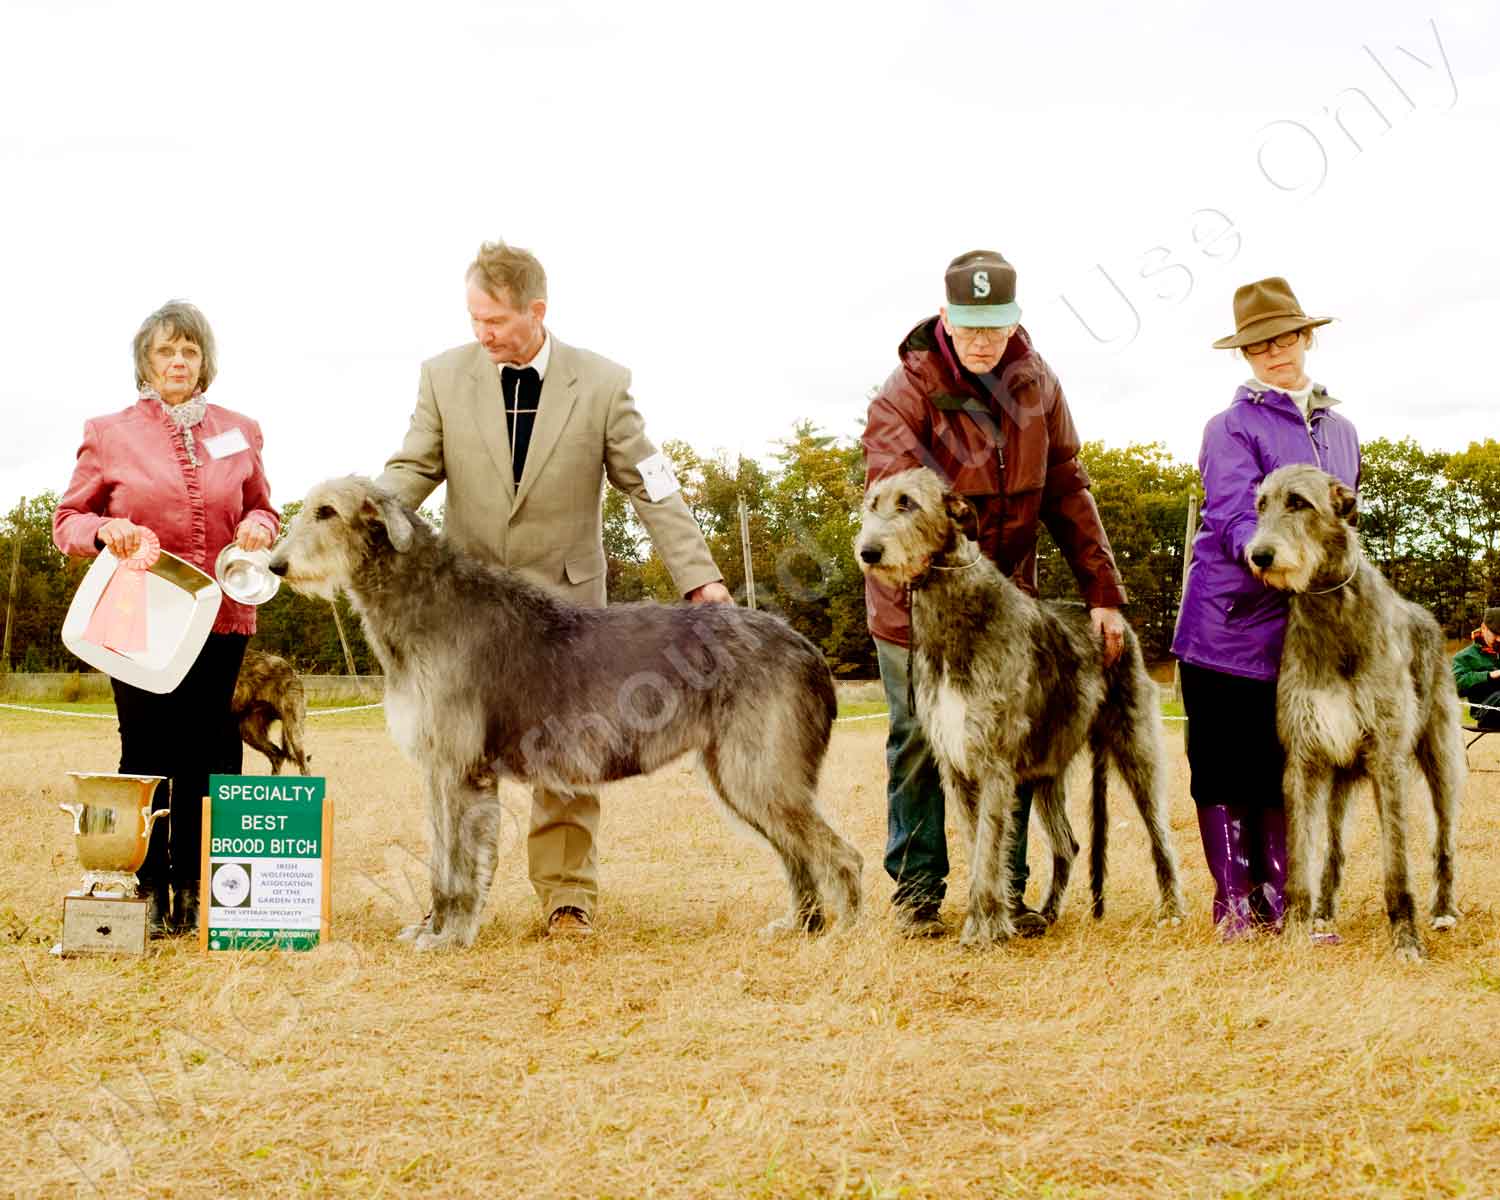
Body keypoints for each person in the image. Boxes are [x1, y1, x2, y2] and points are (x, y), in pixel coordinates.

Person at [377, 240, 729, 937]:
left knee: (566, 757)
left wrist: (701, 579)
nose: (483, 334)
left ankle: (567, 897)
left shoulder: (600, 383)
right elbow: (410, 471)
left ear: (537, 311)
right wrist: (364, 520)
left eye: (497, 321)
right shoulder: (444, 378)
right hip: (469, 618)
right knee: (455, 763)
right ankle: (453, 898)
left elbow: (652, 487)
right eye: (474, 318)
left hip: (569, 610)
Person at [862, 250, 1129, 938]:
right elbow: (892, 493)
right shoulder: (906, 389)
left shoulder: (1039, 385)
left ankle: (1001, 895)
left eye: (996, 326)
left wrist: (1102, 589)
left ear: (1015, 321)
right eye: (970, 325)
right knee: (920, 742)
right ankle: (919, 892)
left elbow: (1068, 488)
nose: (983, 340)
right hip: (912, 606)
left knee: (1003, 747)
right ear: (945, 317)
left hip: (1008, 605)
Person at [54, 301, 279, 937]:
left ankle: (202, 889)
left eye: (189, 351)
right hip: (140, 620)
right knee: (148, 747)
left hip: (223, 615)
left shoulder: (242, 429)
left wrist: (259, 531)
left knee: (213, 748)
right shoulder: (108, 432)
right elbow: (66, 522)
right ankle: (148, 886)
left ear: (205, 362)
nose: (178, 362)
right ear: (145, 364)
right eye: (164, 352)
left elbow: (263, 508)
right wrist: (108, 528)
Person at [1171, 277, 1360, 940]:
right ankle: (1234, 901)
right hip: (1225, 625)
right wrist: (1283, 565)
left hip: (1309, 634)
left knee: (1294, 762)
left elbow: (1345, 528)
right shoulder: (1229, 428)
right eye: (1260, 345)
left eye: (1285, 338)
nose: (1276, 352)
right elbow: (1231, 517)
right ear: (1245, 356)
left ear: (1305, 338)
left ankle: (1287, 894)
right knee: (1227, 761)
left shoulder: (1342, 431)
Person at [1452, 607, 1500, 729]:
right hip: (1486, 712)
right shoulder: (1464, 657)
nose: (1499, 639)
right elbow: (1456, 685)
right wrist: (1490, 675)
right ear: (1484, 628)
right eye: (1496, 634)